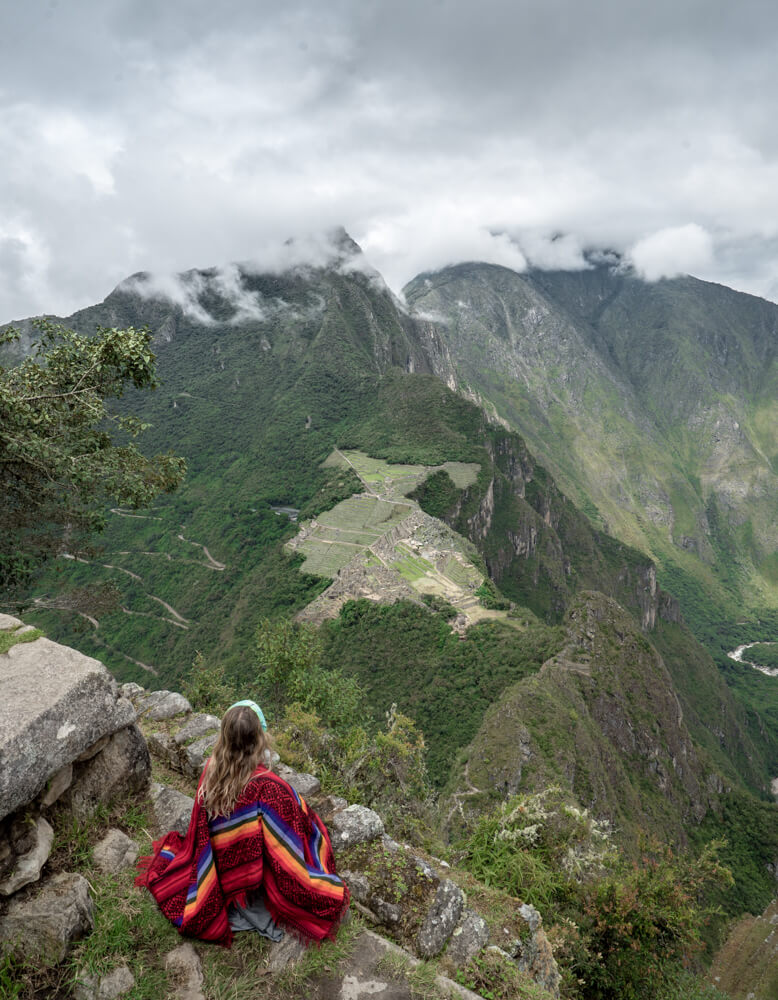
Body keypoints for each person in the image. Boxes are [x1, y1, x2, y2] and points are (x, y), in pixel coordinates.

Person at [136, 700, 350, 947]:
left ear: (224, 737)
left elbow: (202, 831)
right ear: (259, 739)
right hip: (252, 872)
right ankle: (256, 894)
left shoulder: (211, 771)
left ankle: (234, 887)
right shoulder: (268, 787)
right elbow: (289, 834)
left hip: (220, 866)